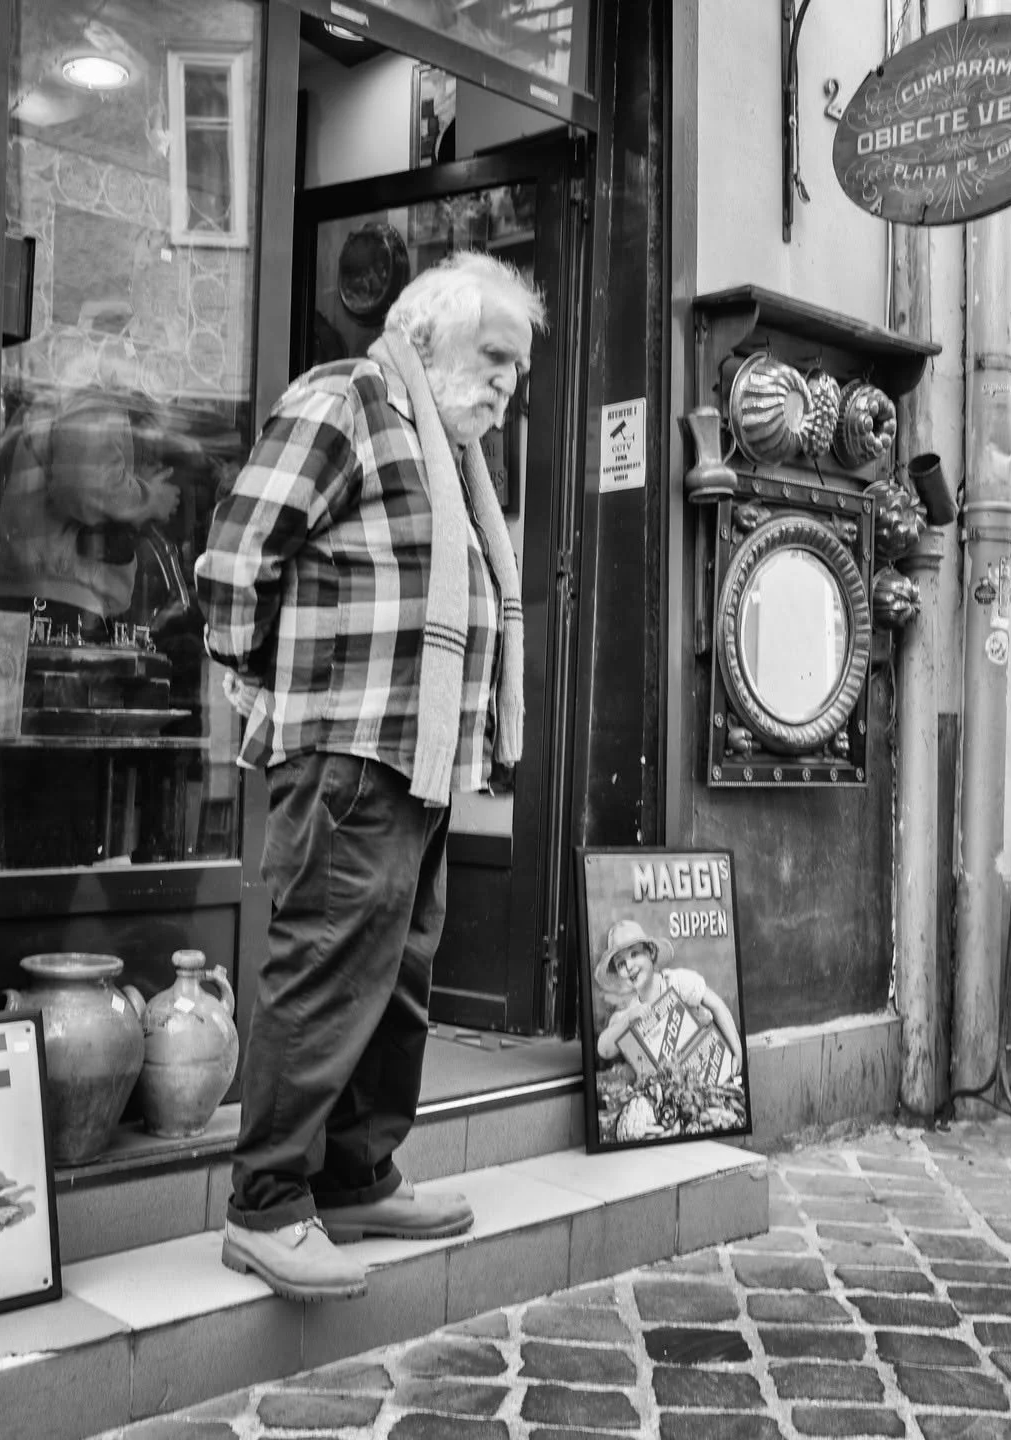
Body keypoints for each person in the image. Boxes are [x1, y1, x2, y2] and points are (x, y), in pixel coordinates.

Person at [196, 250, 544, 1301]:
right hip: (350, 745)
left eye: (518, 373)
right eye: (494, 359)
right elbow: (235, 556)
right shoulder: (348, 398)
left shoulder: (446, 450)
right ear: (427, 336)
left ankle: (356, 1176)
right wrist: (254, 680)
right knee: (326, 972)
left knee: (396, 980)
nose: (505, 387)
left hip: (421, 758)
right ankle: (266, 1205)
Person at [593, 919, 744, 1089]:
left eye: (634, 954)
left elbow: (717, 1005)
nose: (629, 966)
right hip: (677, 1091)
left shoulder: (676, 982)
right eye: (621, 964)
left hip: (712, 1066)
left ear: (650, 953)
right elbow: (604, 1049)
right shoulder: (631, 1010)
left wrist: (737, 1049)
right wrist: (628, 1019)